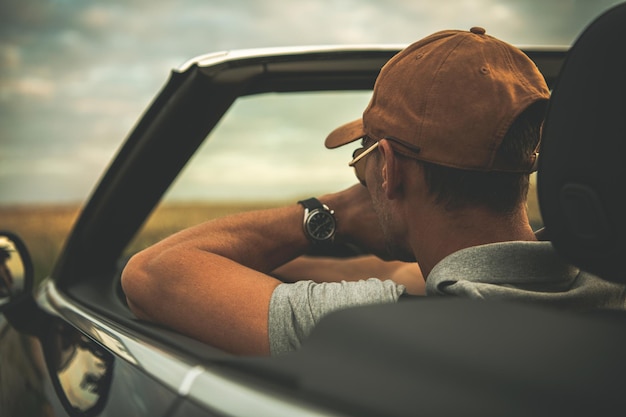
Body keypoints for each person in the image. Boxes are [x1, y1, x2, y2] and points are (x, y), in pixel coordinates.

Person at [121, 27, 626, 356]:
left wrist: (332, 212)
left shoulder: (373, 332)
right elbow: (397, 271)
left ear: (387, 168)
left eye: (363, 155)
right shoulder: (608, 288)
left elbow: (148, 274)